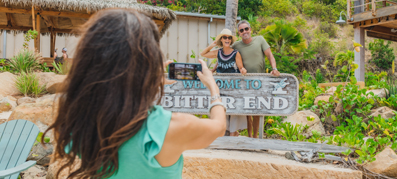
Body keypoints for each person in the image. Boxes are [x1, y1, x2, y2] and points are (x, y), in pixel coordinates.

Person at [43, 9, 226, 179]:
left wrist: (149, 78)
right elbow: (218, 126)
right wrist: (212, 86)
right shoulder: (170, 128)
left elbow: (114, 89)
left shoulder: (77, 119)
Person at [232, 20, 280, 138]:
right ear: (239, 33)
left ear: (250, 29)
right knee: (248, 111)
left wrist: (274, 68)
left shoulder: (260, 40)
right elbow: (224, 53)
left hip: (260, 81)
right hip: (245, 82)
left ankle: (256, 137)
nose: (244, 32)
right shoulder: (236, 45)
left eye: (246, 29)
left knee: (258, 110)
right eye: (241, 30)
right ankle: (249, 137)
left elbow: (270, 55)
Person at [200, 29, 247, 137]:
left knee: (233, 110)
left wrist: (243, 70)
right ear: (221, 39)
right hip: (220, 86)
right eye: (225, 37)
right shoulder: (218, 52)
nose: (227, 39)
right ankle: (222, 133)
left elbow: (240, 67)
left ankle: (232, 135)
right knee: (221, 109)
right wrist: (212, 45)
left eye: (229, 38)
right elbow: (203, 54)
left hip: (232, 86)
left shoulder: (236, 53)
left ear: (231, 40)